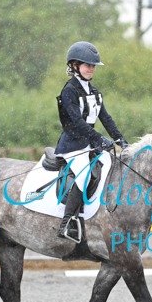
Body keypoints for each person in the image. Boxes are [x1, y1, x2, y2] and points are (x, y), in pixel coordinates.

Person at [55, 41, 128, 242]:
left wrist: (120, 140)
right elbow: (77, 123)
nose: (91, 69)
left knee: (114, 166)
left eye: (93, 65)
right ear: (74, 66)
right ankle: (67, 222)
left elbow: (106, 118)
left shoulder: (94, 91)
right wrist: (100, 139)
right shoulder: (69, 91)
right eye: (87, 65)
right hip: (72, 145)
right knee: (84, 175)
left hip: (89, 143)